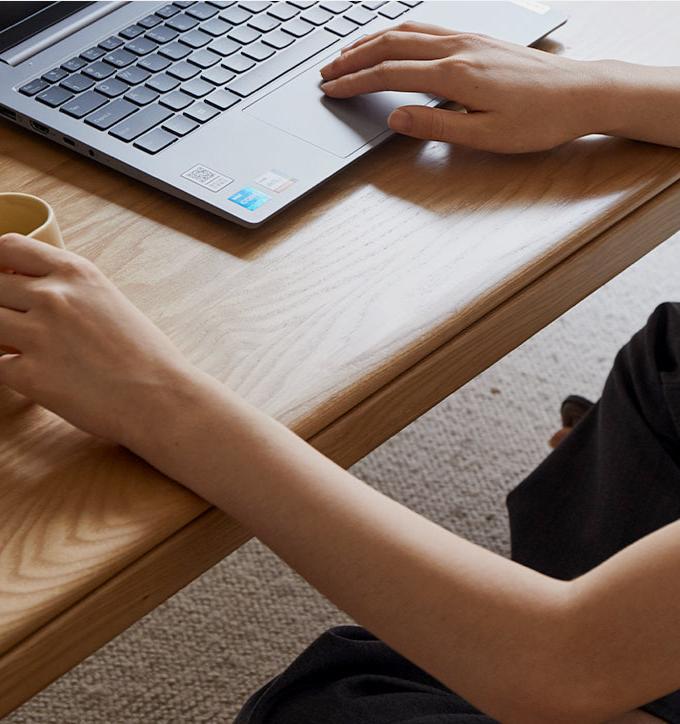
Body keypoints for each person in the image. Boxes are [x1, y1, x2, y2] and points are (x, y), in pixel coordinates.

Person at [2, 23, 680, 724]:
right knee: (671, 362)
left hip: (556, 656)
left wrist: (158, 397)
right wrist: (604, 89)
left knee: (339, 703)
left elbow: (553, 665)